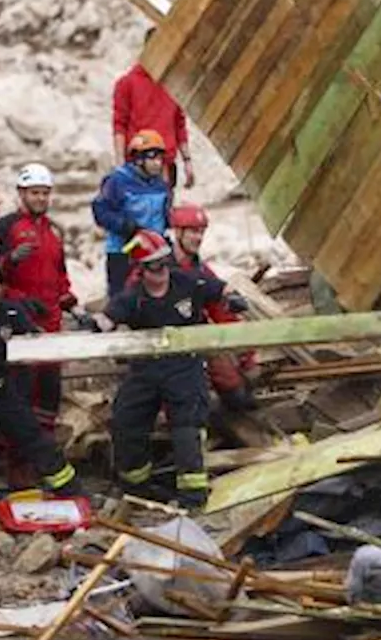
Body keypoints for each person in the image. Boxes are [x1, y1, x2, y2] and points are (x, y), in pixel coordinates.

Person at [91, 229, 248, 508]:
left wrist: (232, 299)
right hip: (146, 370)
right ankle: (137, 489)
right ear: (141, 270)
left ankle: (193, 497)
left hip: (184, 366)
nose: (162, 270)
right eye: (154, 266)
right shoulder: (133, 298)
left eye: (165, 262)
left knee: (187, 428)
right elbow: (108, 318)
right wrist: (93, 324)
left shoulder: (187, 282)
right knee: (126, 422)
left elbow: (220, 289)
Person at [0, 259, 81, 527]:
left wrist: (62, 344)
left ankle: (72, 494)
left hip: (1, 391)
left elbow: (35, 341)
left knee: (36, 439)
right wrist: (2, 356)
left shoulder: (11, 312)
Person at [0, 164, 79, 482]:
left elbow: (60, 273)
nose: (40, 198)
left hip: (51, 325)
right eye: (34, 193)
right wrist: (10, 265)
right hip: (20, 326)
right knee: (19, 393)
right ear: (21, 194)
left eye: (45, 193)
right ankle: (12, 464)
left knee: (49, 393)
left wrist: (68, 297)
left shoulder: (53, 231)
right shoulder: (6, 227)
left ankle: (44, 460)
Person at [168, 204, 258, 412]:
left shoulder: (202, 271)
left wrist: (246, 354)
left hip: (198, 341)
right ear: (178, 233)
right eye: (192, 231)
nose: (198, 238)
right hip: (165, 346)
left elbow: (221, 311)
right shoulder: (157, 268)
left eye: (201, 232)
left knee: (236, 391)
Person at [92, 129, 173, 296]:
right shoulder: (117, 181)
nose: (157, 163)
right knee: (122, 298)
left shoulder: (161, 185)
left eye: (159, 157)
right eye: (152, 157)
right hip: (123, 252)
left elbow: (165, 216)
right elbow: (100, 210)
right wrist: (125, 225)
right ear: (138, 159)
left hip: (155, 252)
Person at [113, 35, 194, 189]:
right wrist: (120, 166)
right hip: (138, 167)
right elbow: (119, 125)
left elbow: (179, 124)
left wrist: (187, 161)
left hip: (166, 166)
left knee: (163, 210)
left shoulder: (173, 84)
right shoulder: (127, 83)